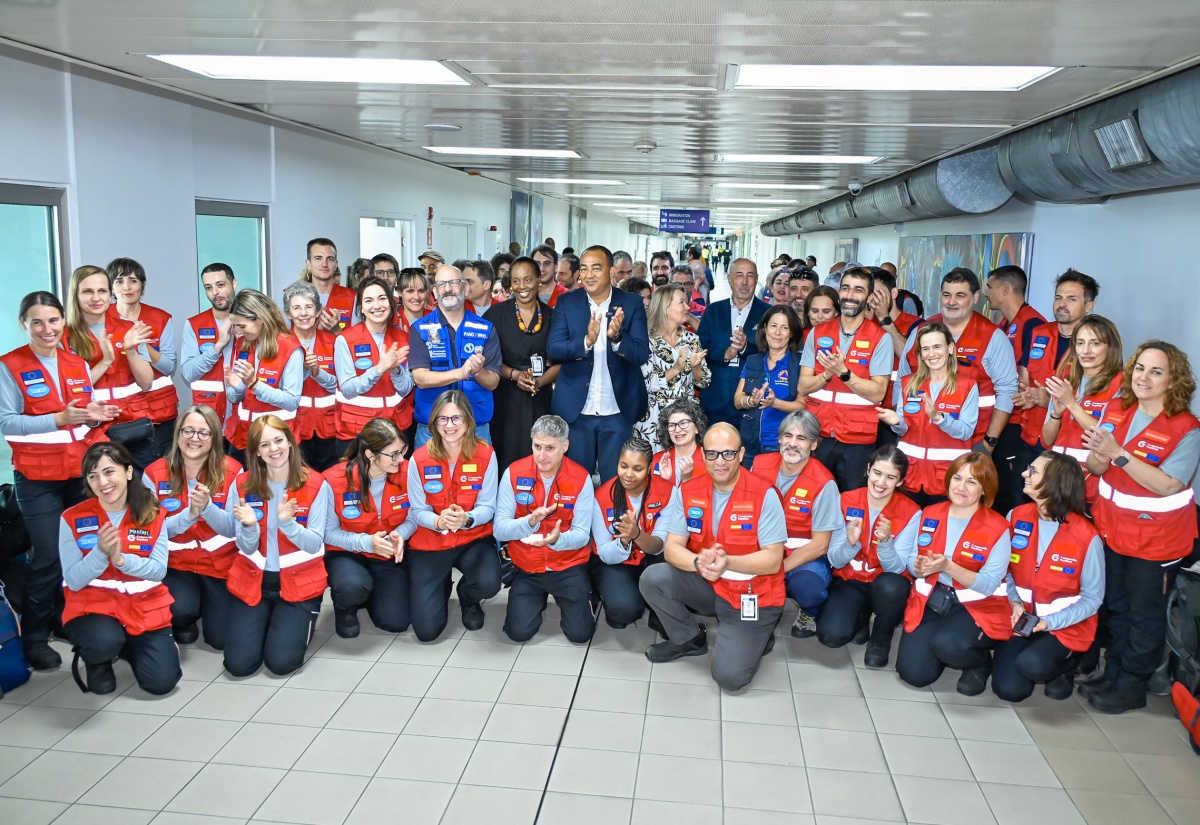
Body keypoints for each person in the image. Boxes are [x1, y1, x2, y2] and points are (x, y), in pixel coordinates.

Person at [1, 292, 119, 670]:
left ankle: (64, 618)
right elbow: (6, 421)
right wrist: (59, 419)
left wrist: (93, 415)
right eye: (37, 322)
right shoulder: (10, 365)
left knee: (81, 550)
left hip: (77, 476)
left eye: (52, 321)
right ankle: (35, 637)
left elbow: (80, 417)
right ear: (24, 324)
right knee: (49, 556)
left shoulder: (76, 362)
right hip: (38, 479)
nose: (46, 329)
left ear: (62, 323)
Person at [1084, 340, 1200, 713]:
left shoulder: (1186, 427)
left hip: (1157, 542)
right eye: (1139, 368)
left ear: (1172, 380)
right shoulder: (1119, 408)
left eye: (1156, 371)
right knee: (1115, 607)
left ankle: (1132, 686)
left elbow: (1168, 484)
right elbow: (1098, 466)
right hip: (1113, 531)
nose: (1144, 377)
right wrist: (1100, 454)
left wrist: (1118, 453)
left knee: (1143, 615)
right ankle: (1114, 672)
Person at [640, 423, 786, 691]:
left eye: (728, 454)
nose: (720, 462)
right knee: (653, 577)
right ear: (703, 454)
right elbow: (672, 547)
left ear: (741, 454)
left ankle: (759, 635)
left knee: (729, 678)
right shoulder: (688, 490)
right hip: (708, 583)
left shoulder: (764, 494)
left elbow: (774, 560)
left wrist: (728, 562)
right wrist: (698, 562)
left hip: (751, 593)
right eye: (712, 454)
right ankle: (688, 639)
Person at [60, 442, 180, 695]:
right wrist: (100, 553)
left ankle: (128, 646)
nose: (102, 482)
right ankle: (98, 660)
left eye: (108, 471)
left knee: (161, 684)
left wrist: (122, 560)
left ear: (127, 471)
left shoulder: (153, 512)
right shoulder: (72, 518)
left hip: (142, 607)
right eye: (93, 476)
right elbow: (73, 580)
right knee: (104, 642)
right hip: (94, 607)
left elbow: (158, 571)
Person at [896, 453, 1012, 695]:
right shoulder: (929, 513)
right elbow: (911, 562)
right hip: (933, 599)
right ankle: (941, 647)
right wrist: (918, 568)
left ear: (984, 489)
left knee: (947, 644)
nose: (961, 487)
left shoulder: (998, 526)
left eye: (972, 482)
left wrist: (948, 567)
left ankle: (979, 662)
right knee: (914, 674)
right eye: (957, 478)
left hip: (975, 604)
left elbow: (990, 584)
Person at [224, 415, 331, 677]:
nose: (273, 449)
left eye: (278, 440)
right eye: (264, 445)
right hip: (255, 582)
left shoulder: (316, 483)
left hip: (298, 584)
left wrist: (288, 524)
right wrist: (249, 527)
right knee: (238, 665)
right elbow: (246, 548)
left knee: (281, 664)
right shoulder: (241, 485)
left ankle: (292, 622)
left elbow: (315, 542)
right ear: (256, 453)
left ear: (291, 442)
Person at [992, 451, 1104, 702]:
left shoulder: (1087, 537)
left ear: (1055, 482)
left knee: (1034, 665)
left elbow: (1093, 599)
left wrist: (1050, 622)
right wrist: (1014, 602)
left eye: (1033, 471)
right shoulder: (1016, 516)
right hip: (1022, 620)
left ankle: (1070, 663)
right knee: (1009, 690)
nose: (1023, 473)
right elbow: (1005, 572)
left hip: (1065, 625)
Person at [546, 245, 650, 481]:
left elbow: (641, 353)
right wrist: (586, 341)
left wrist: (617, 339)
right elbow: (553, 350)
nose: (589, 275)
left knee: (615, 484)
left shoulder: (631, 303)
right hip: (576, 412)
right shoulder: (567, 303)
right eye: (583, 269)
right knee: (575, 482)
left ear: (611, 271)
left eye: (596, 268)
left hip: (618, 410)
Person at [142, 405, 240, 650]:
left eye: (203, 433)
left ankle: (206, 609)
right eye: (188, 431)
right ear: (177, 434)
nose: (194, 438)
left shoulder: (233, 471)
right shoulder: (153, 474)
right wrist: (189, 515)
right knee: (180, 609)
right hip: (176, 564)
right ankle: (185, 620)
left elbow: (232, 529)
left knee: (221, 640)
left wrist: (207, 509)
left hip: (220, 564)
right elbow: (149, 533)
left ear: (214, 438)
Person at [899, 268, 1019, 468]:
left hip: (970, 445)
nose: (951, 301)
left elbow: (1007, 391)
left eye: (960, 295)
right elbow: (902, 380)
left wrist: (989, 442)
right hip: (917, 447)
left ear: (975, 298)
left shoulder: (992, 336)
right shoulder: (921, 331)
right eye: (946, 295)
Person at [406, 390, 501, 640]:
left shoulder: (486, 454)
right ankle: (440, 584)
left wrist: (467, 518)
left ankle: (468, 597)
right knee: (427, 632)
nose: (449, 426)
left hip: (472, 538)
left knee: (490, 582)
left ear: (468, 421)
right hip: (430, 542)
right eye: (443, 419)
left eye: (456, 418)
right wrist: (437, 521)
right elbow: (417, 511)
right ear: (434, 423)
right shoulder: (418, 459)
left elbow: (488, 507)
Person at [495, 414, 597, 643]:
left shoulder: (581, 477)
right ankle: (535, 598)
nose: (541, 456)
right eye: (537, 446)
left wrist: (556, 540)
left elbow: (582, 535)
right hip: (527, 565)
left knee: (580, 635)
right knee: (518, 633)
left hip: (568, 564)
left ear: (565, 446)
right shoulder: (513, 472)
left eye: (550, 448)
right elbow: (500, 530)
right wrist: (529, 522)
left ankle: (588, 595)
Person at [822, 445, 921, 667]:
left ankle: (881, 638)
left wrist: (886, 543)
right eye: (877, 473)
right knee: (830, 636)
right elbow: (834, 560)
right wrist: (850, 543)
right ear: (868, 469)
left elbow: (896, 569)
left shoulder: (912, 512)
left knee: (891, 586)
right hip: (850, 579)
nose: (881, 482)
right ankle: (861, 615)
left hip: (885, 581)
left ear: (901, 482)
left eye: (890, 477)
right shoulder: (844, 500)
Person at [798, 267, 894, 490]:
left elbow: (879, 392)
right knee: (815, 499)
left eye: (858, 290)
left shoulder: (881, 339)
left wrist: (844, 373)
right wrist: (825, 375)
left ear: (869, 297)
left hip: (857, 442)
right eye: (846, 288)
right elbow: (803, 386)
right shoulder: (818, 333)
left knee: (851, 503)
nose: (850, 296)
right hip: (818, 435)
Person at [749, 411, 842, 639]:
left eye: (802, 438)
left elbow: (821, 545)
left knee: (808, 587)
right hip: (762, 547)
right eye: (788, 436)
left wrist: (778, 568)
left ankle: (809, 612)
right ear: (779, 439)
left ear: (814, 444)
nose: (792, 444)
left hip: (804, 555)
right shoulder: (758, 465)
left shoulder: (824, 482)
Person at [1011, 270, 1100, 498]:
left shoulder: (1097, 346)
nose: (1062, 304)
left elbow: (1098, 403)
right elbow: (1024, 378)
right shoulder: (1038, 332)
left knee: (1058, 511)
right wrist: (1027, 396)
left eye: (1072, 299)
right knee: (1021, 505)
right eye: (1059, 297)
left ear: (1089, 306)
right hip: (1029, 439)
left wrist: (1048, 400)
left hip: (1067, 448)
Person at [323, 417, 414, 638]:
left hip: (387, 554)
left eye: (402, 450)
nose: (400, 459)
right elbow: (327, 533)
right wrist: (366, 542)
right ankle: (346, 607)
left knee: (396, 622)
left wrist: (400, 534)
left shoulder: (409, 471)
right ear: (370, 454)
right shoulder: (334, 480)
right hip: (348, 553)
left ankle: (374, 594)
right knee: (353, 586)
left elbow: (414, 516)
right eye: (393, 454)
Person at [877, 322, 979, 506]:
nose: (931, 354)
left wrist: (939, 418)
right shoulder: (909, 383)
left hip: (948, 479)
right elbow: (903, 430)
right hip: (910, 477)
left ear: (950, 348)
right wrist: (895, 422)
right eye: (925, 349)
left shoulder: (968, 386)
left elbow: (966, 431)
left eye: (937, 347)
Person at [65, 264, 156, 469]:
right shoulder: (64, 337)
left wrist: (131, 350)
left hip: (134, 429)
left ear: (110, 293)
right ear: (75, 295)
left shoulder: (128, 329)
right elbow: (70, 392)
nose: (96, 298)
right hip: (92, 431)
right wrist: (105, 361)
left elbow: (146, 382)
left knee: (143, 495)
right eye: (88, 291)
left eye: (102, 291)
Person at [409, 264, 502, 446]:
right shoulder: (420, 329)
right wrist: (462, 372)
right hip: (432, 428)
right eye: (442, 284)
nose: (448, 289)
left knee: (479, 475)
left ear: (466, 288)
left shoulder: (485, 329)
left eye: (454, 283)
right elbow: (420, 378)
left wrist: (478, 371)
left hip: (476, 426)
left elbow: (493, 383)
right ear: (434, 292)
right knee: (429, 475)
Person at [484, 256, 560, 471]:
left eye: (528, 280)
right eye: (516, 281)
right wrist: (514, 375)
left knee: (540, 457)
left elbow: (563, 361)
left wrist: (539, 381)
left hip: (541, 398)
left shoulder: (553, 316)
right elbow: (487, 360)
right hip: (505, 398)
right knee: (506, 456)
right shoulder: (495, 315)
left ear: (539, 281)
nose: (522, 287)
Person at [590, 435, 670, 630]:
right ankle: (612, 595)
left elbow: (659, 546)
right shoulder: (602, 496)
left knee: (672, 565)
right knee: (624, 610)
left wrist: (636, 535)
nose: (628, 474)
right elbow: (604, 553)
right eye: (623, 466)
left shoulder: (668, 492)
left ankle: (655, 608)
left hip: (652, 558)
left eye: (638, 468)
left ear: (650, 469)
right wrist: (624, 542)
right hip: (614, 563)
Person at [1042, 315, 1124, 501]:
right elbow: (1047, 439)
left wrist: (1071, 404)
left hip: (1093, 486)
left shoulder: (1122, 385)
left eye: (1095, 343)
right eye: (1080, 343)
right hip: (1058, 482)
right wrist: (1056, 414)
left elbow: (1110, 438)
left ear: (1110, 347)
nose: (1086, 350)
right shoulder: (1068, 381)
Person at [334, 276, 414, 455]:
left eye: (382, 298)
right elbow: (347, 389)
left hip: (396, 428)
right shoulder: (345, 340)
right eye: (368, 301)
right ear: (361, 307)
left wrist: (395, 369)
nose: (377, 306)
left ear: (391, 302)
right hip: (357, 431)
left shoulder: (403, 338)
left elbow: (406, 389)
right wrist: (379, 369)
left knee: (396, 482)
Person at [109, 258, 179, 462]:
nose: (127, 287)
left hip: (158, 415)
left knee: (157, 476)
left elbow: (168, 367)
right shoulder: (100, 320)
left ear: (142, 285)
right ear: (111, 287)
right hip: (118, 416)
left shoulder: (160, 318)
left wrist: (143, 345)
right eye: (119, 281)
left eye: (133, 280)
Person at [223, 290, 303, 463]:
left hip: (275, 444)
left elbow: (292, 401)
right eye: (236, 325)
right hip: (242, 438)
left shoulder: (290, 349)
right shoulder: (242, 344)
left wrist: (255, 384)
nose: (238, 331)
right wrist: (238, 388)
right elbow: (234, 397)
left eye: (242, 326)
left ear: (260, 318)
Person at [637, 284, 710, 450]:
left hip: (686, 420)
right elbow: (647, 384)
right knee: (655, 470)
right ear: (665, 308)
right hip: (654, 421)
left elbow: (703, 382)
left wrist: (696, 367)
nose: (687, 307)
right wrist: (677, 368)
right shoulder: (645, 340)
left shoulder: (691, 339)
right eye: (681, 302)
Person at [698, 258, 768, 429]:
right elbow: (700, 348)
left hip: (750, 404)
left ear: (756, 279)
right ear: (729, 279)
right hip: (714, 401)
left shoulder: (768, 313)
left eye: (750, 276)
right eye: (739, 276)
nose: (744, 282)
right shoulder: (713, 310)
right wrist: (725, 354)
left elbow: (771, 353)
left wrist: (745, 348)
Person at [734, 305, 805, 461]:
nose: (777, 333)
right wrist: (751, 401)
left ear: (792, 332)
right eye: (773, 326)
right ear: (765, 328)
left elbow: (802, 405)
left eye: (784, 327)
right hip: (750, 442)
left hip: (782, 445)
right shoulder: (753, 361)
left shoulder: (799, 365)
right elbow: (737, 400)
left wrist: (775, 403)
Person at [283, 280, 339, 472]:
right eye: (296, 308)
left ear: (318, 311)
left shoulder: (334, 342)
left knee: (332, 482)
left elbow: (340, 387)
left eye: (308, 307)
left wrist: (317, 372)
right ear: (288, 313)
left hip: (331, 428)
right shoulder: (279, 344)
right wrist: (304, 370)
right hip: (294, 427)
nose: (303, 313)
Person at [181, 263, 239, 421]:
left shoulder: (253, 322)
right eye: (208, 287)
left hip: (245, 417)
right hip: (210, 417)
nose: (215, 293)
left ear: (234, 284)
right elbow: (188, 373)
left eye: (220, 285)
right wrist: (217, 347)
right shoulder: (194, 324)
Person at [301, 238, 356, 332]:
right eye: (318, 258)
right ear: (308, 264)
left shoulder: (353, 297)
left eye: (330, 259)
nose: (324, 264)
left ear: (336, 265)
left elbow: (359, 340)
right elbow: (284, 337)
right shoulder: (294, 296)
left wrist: (338, 331)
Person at [652, 398, 708, 487]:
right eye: (671, 425)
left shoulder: (709, 459)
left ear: (697, 427)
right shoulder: (657, 460)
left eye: (683, 423)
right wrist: (665, 482)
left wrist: (687, 480)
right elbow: (654, 498)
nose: (677, 430)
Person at [669, 264, 703, 331]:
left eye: (687, 284)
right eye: (678, 284)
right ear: (669, 285)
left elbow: (706, 333)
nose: (683, 289)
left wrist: (684, 312)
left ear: (693, 286)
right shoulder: (662, 309)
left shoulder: (703, 311)